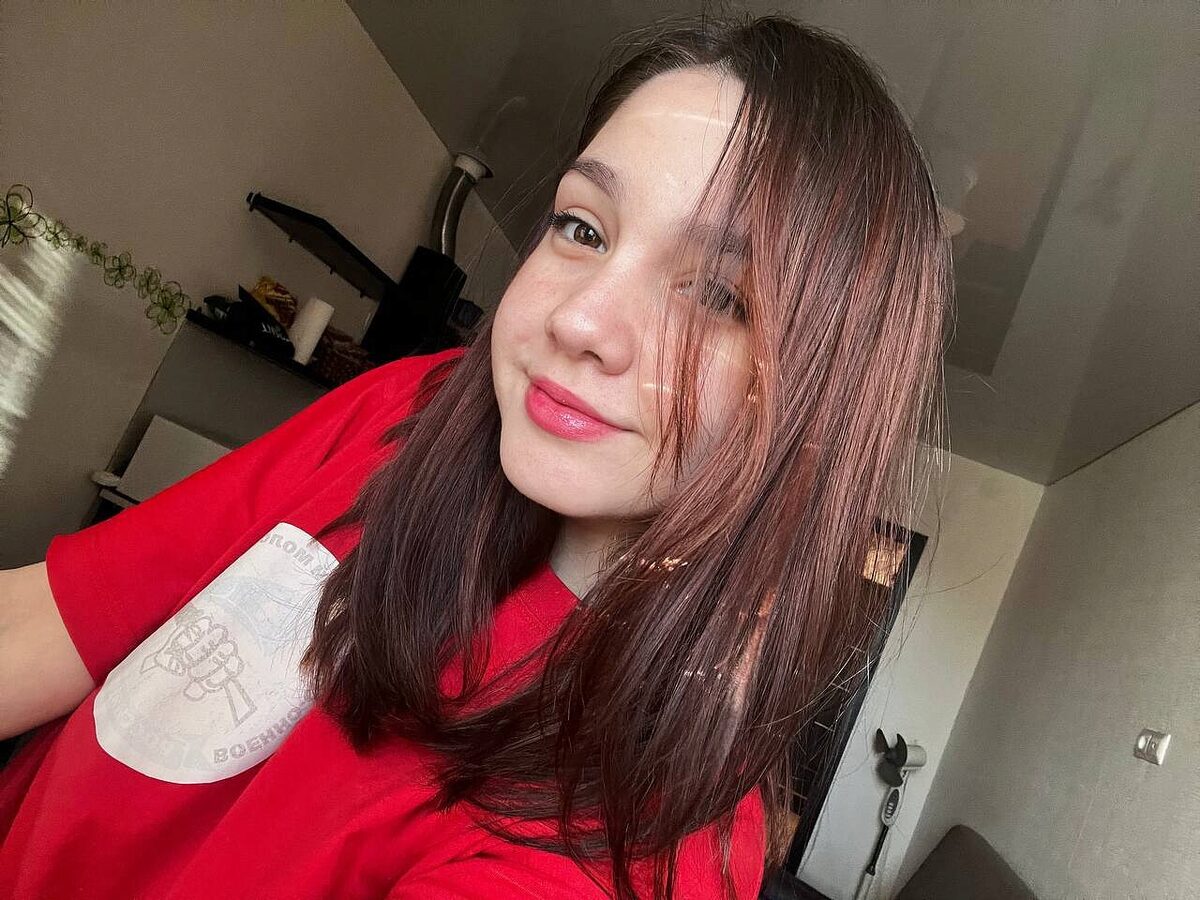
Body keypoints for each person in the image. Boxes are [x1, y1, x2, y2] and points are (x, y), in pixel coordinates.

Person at [0, 12, 951, 900]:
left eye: (717, 296)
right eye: (583, 228)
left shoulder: (646, 841)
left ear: (820, 400)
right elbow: (52, 623)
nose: (578, 320)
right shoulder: (413, 408)